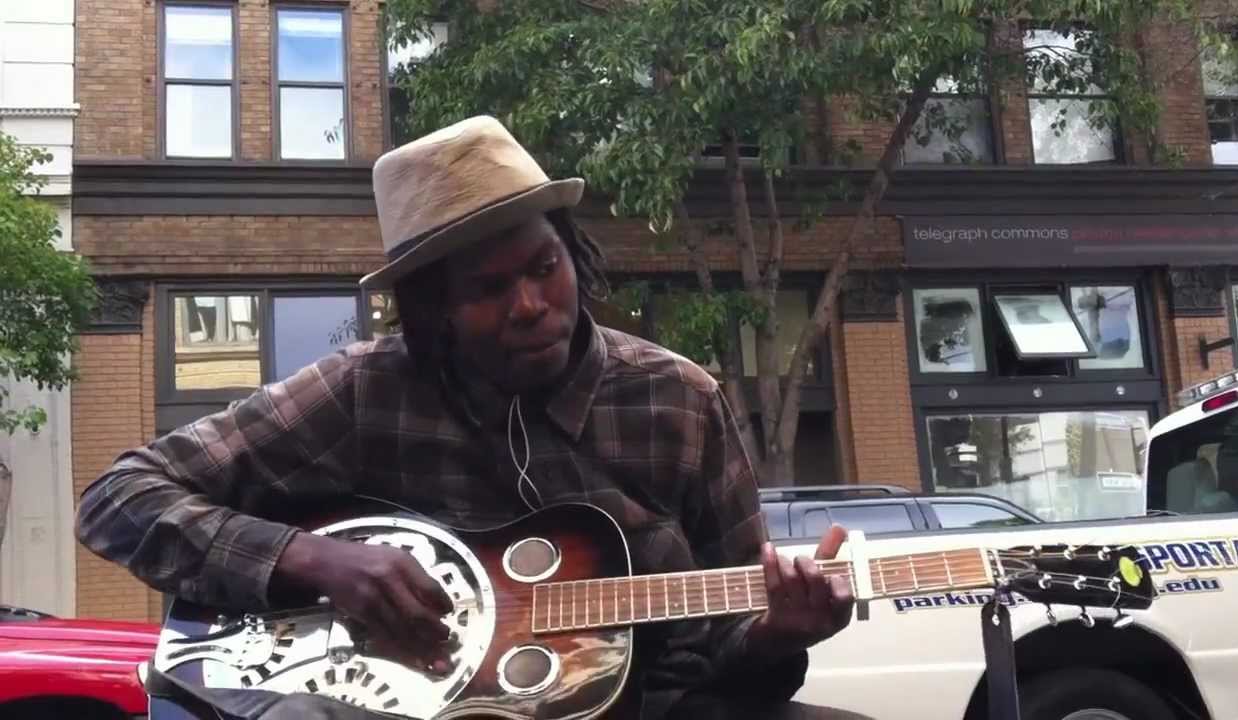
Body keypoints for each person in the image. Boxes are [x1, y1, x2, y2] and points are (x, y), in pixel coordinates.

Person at [76, 116, 867, 720]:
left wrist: (779, 632)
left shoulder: (679, 398)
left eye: (543, 268)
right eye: (489, 289)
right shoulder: (365, 392)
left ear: (573, 255)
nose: (529, 305)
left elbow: (728, 639)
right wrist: (315, 562)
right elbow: (117, 497)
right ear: (435, 309)